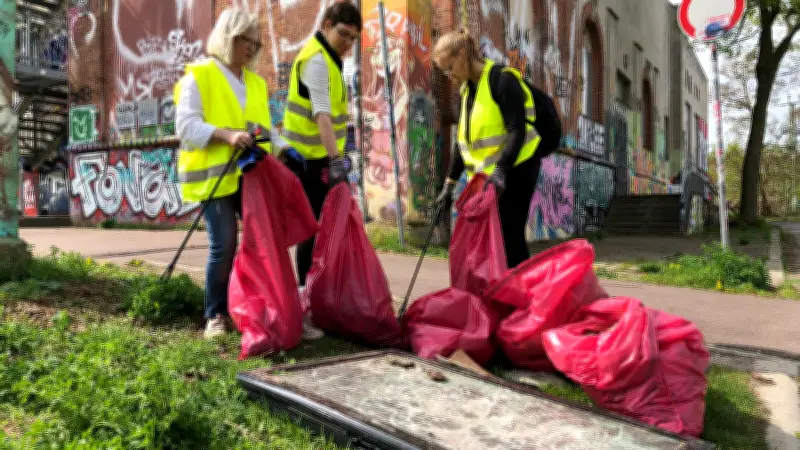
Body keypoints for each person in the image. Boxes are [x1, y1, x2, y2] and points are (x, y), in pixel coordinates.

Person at [174, 7, 323, 340]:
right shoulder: (200, 76)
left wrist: (284, 149)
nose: (252, 48)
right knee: (224, 244)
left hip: (251, 176)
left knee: (269, 243)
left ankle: (281, 312)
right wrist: (226, 135)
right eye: (246, 40)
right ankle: (216, 315)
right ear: (229, 37)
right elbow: (185, 125)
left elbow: (263, 129)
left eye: (257, 43)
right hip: (214, 178)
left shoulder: (255, 83)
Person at [432, 29, 544, 269]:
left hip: (519, 166)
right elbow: (462, 142)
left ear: (463, 54)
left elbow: (516, 130)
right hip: (491, 175)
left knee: (509, 235)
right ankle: (500, 288)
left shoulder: (503, 80)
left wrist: (502, 170)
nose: (449, 76)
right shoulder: (466, 91)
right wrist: (448, 186)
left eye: (450, 67)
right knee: (491, 240)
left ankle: (521, 289)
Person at [282, 2, 362, 294]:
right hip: (306, 161)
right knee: (311, 229)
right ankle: (304, 292)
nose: (348, 43)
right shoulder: (316, 60)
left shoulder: (330, 59)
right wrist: (336, 160)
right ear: (326, 25)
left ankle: (313, 290)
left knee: (318, 228)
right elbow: (322, 115)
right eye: (343, 34)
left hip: (319, 159)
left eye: (353, 38)